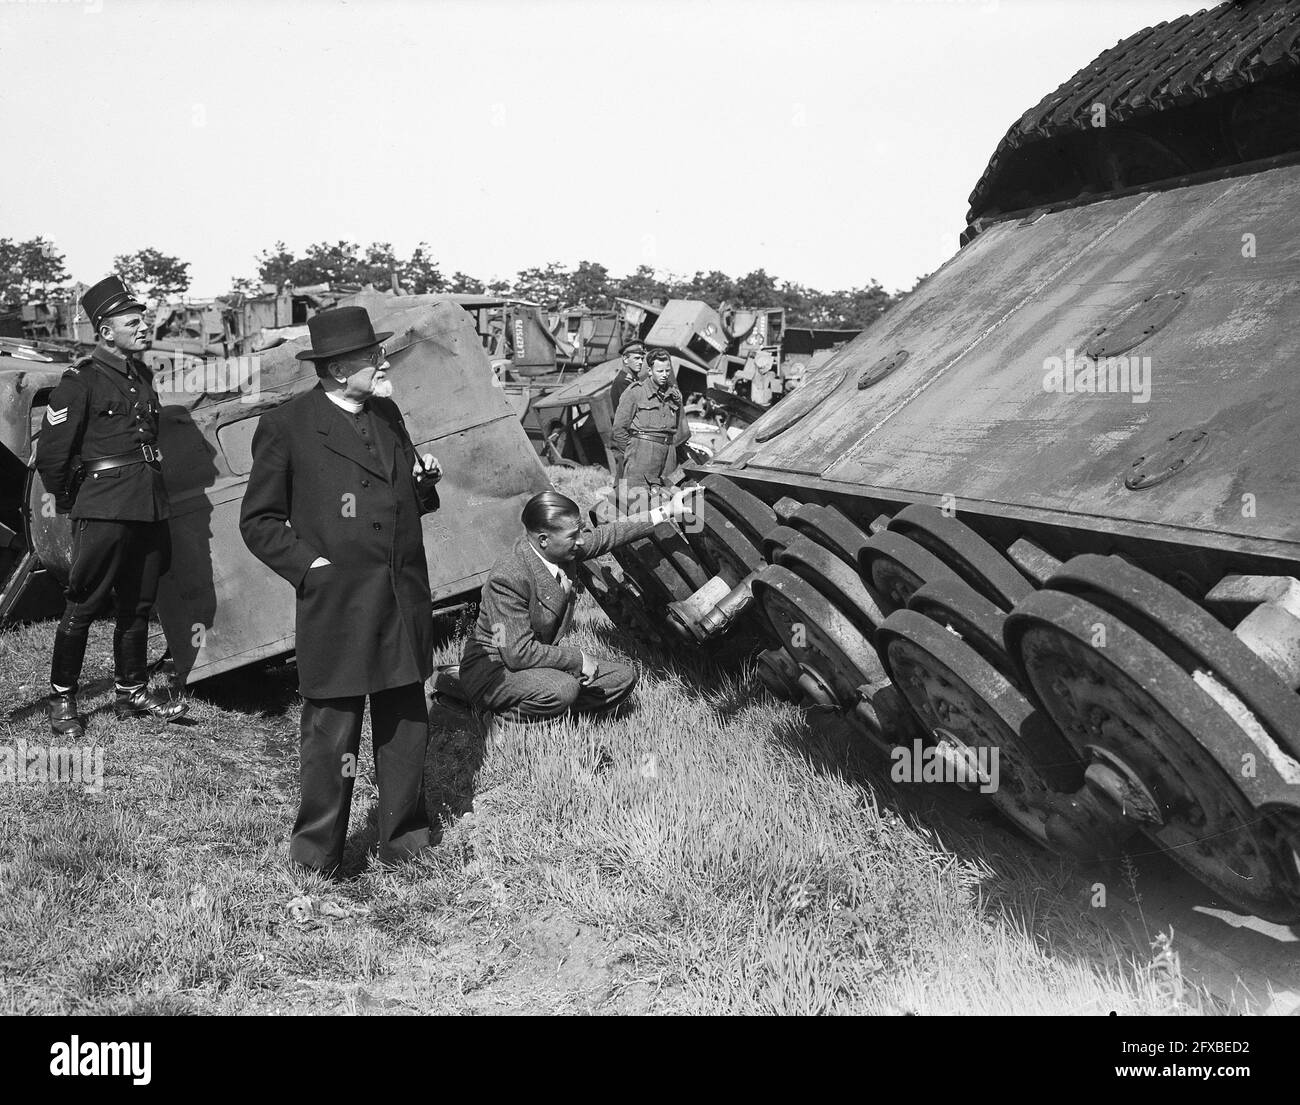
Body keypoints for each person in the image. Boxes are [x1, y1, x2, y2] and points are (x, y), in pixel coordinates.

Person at [239, 306, 443, 878]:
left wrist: (423, 481)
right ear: (333, 368)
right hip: (338, 602)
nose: (383, 362)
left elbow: (408, 503)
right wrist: (313, 568)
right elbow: (259, 522)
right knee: (333, 736)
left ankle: (405, 844)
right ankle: (316, 856)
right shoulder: (287, 427)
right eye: (371, 356)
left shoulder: (388, 412)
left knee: (405, 726)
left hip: (401, 597)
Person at [35, 275, 188, 738]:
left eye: (141, 319)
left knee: (138, 603)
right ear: (105, 331)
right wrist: (72, 502)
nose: (143, 326)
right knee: (84, 603)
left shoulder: (140, 377)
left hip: (146, 502)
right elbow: (52, 457)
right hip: (103, 506)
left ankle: (131, 690)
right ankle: (63, 697)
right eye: (132, 321)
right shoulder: (78, 382)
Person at [459, 485, 700, 726]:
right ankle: (500, 720)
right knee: (563, 689)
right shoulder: (509, 577)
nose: (581, 541)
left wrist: (667, 510)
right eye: (573, 536)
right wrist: (578, 660)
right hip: (496, 669)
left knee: (621, 677)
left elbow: (609, 535)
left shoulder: (562, 550)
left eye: (580, 532)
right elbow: (517, 654)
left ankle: (553, 712)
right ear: (544, 539)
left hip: (535, 662)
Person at [610, 347, 689, 505]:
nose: (665, 375)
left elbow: (677, 427)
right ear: (650, 370)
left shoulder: (673, 396)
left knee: (667, 502)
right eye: (660, 371)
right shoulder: (635, 392)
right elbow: (619, 429)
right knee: (638, 504)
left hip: (668, 455)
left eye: (667, 370)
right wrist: (633, 452)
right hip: (642, 453)